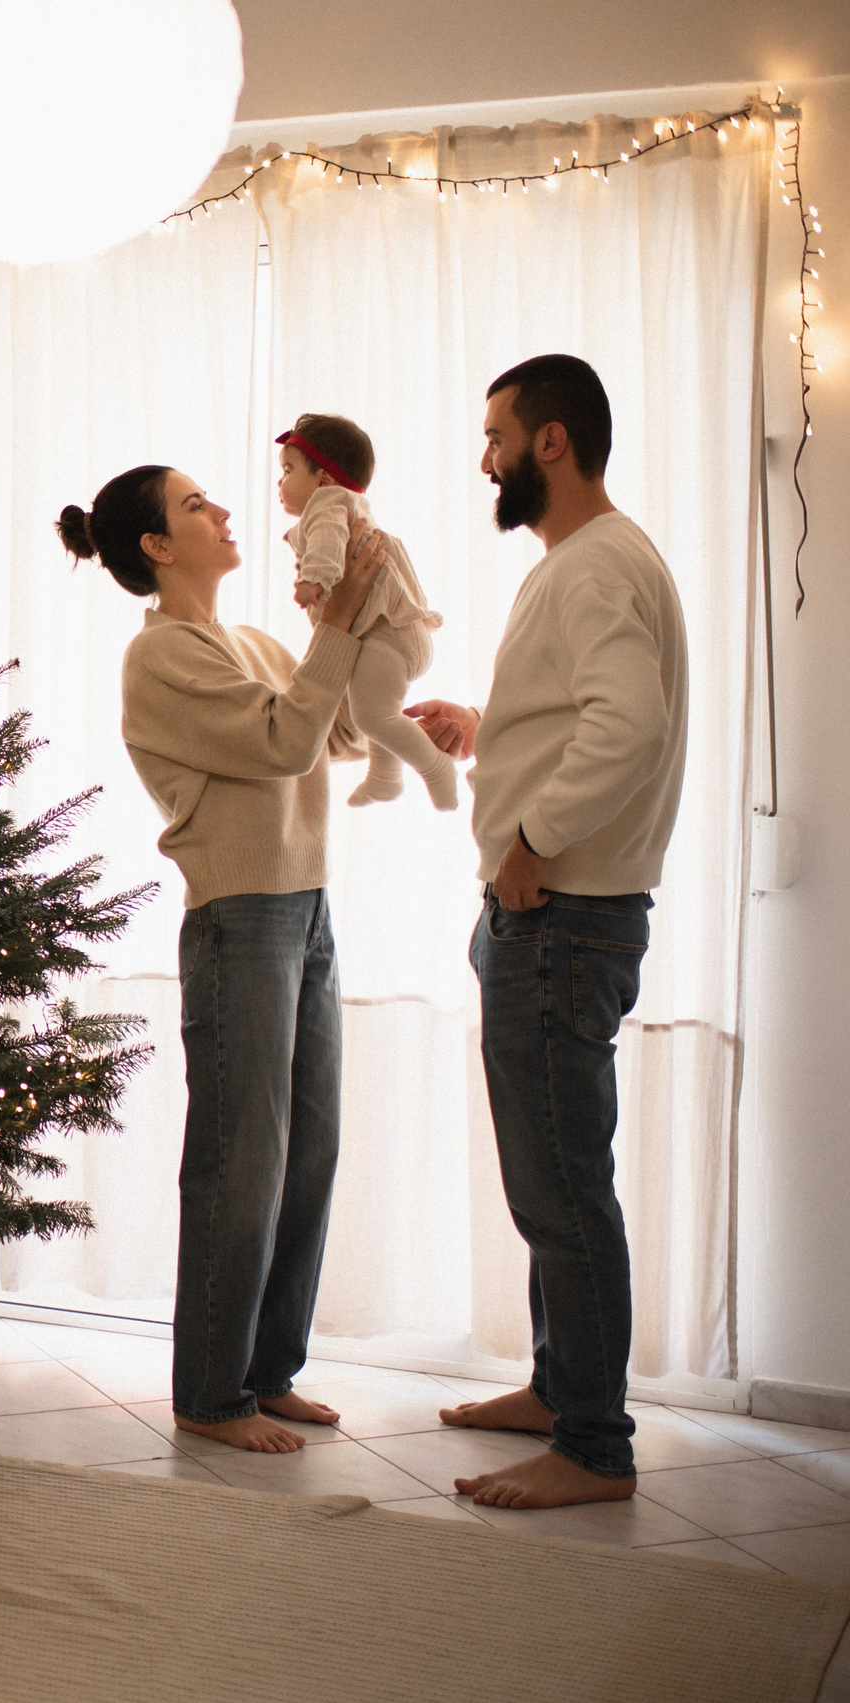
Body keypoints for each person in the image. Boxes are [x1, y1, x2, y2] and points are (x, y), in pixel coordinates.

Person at [407, 354, 689, 1509]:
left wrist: (529, 835)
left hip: (558, 918)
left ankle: (591, 1444)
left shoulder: (590, 567)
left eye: (496, 436)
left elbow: (628, 726)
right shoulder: (594, 564)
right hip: (559, 915)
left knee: (564, 1188)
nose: (485, 458)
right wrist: (487, 731)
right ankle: (556, 1386)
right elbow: (583, 715)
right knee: (551, 1180)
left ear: (552, 443)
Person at [60, 466, 386, 1454]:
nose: (224, 512)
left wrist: (347, 619)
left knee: (308, 1149)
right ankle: (209, 1390)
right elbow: (288, 741)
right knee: (240, 1159)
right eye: (195, 505)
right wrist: (335, 634)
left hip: (305, 906)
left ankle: (265, 1369)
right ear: (156, 546)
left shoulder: (245, 640)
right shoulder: (156, 659)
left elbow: (337, 730)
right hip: (241, 918)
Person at [276, 413, 456, 810]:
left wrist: (314, 581)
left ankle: (435, 767)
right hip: (396, 634)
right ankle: (384, 777)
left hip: (387, 635)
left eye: (288, 469)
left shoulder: (327, 505)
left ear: (323, 479)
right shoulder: (349, 506)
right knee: (374, 713)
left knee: (373, 717)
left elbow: (327, 545)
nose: (280, 481)